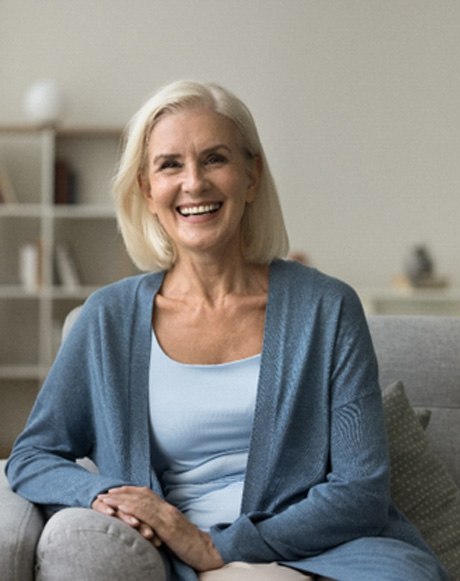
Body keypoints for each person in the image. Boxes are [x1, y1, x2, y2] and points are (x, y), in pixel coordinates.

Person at [6, 80, 447, 581]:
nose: (194, 183)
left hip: (327, 551)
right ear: (148, 191)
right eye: (170, 164)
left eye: (214, 159)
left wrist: (217, 546)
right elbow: (33, 455)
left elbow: (361, 490)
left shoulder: (327, 307)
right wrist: (99, 494)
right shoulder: (106, 319)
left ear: (251, 176)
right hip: (172, 558)